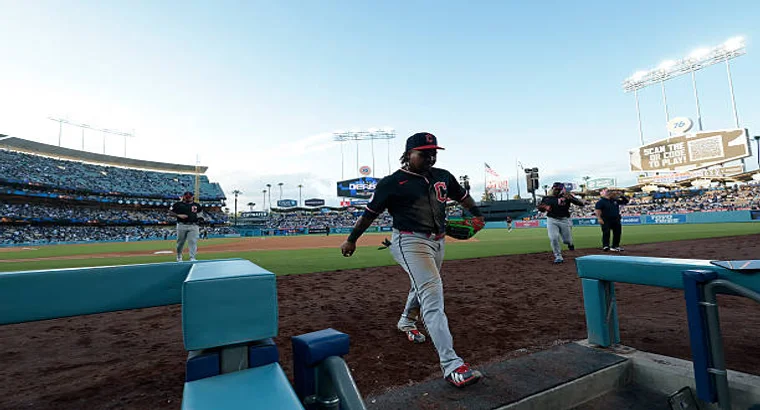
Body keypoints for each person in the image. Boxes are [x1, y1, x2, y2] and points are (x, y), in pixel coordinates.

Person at [340, 132, 485, 388]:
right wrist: (352, 239)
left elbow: (463, 197)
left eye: (434, 153)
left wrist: (476, 214)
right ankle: (452, 366)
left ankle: (406, 320)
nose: (430, 157)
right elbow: (369, 215)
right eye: (424, 153)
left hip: (438, 240)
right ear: (408, 155)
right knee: (433, 294)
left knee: (423, 286)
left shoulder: (443, 176)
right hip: (410, 241)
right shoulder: (391, 183)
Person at [537, 182, 586, 264]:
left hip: (564, 220)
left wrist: (571, 198)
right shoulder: (547, 198)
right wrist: (544, 207)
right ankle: (558, 256)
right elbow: (540, 208)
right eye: (555, 189)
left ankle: (570, 243)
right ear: (552, 188)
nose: (556, 191)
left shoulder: (566, 196)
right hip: (552, 219)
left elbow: (581, 203)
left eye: (559, 189)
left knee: (566, 240)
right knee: (553, 237)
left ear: (562, 190)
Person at [169, 191, 204, 262]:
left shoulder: (197, 205)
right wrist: (178, 215)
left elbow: (200, 212)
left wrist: (200, 219)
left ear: (192, 197)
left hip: (193, 225)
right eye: (186, 196)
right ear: (184, 196)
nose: (188, 198)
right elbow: (170, 212)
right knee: (180, 242)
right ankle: (179, 255)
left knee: (193, 242)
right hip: (182, 225)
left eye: (189, 197)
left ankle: (192, 257)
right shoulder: (178, 204)